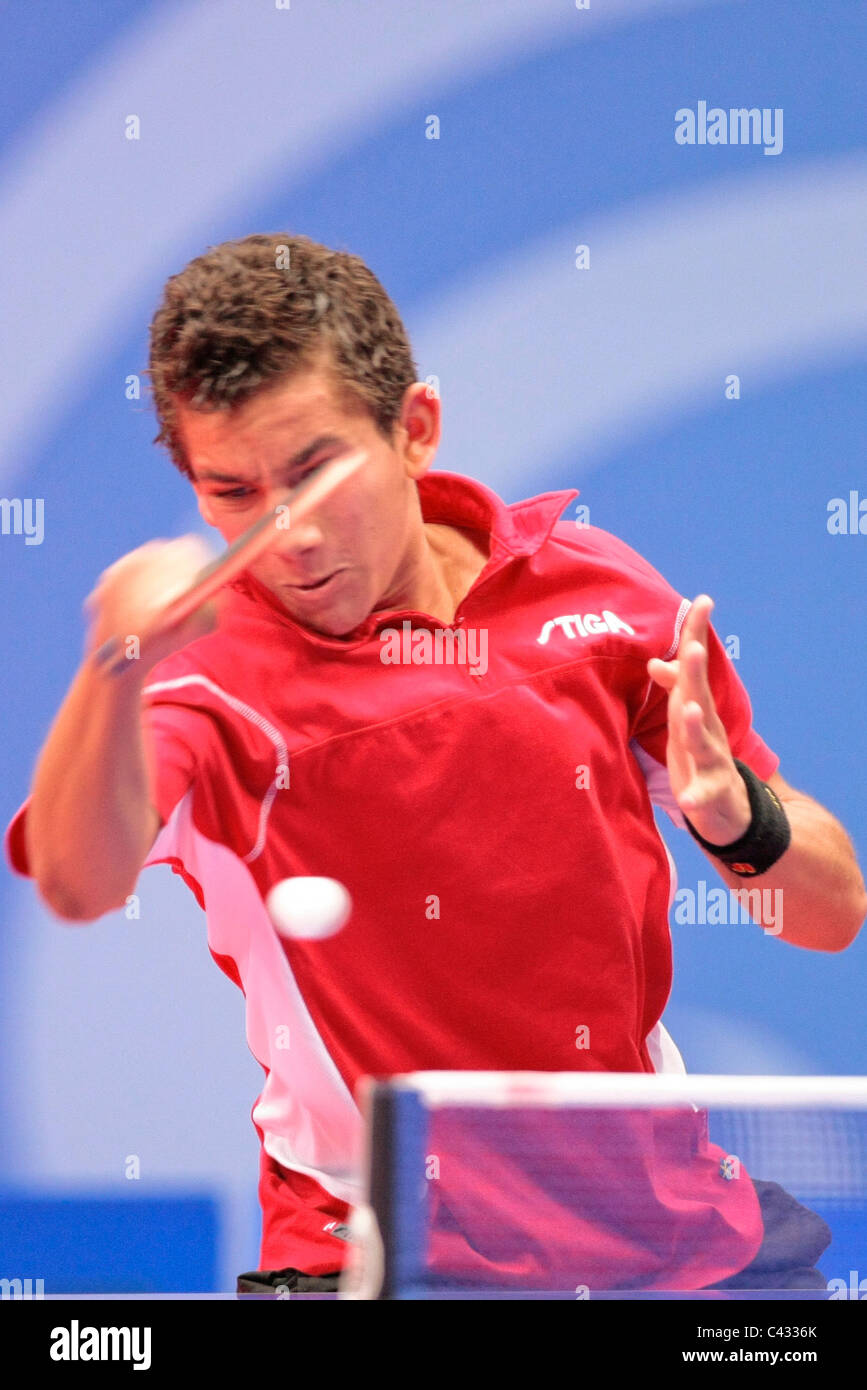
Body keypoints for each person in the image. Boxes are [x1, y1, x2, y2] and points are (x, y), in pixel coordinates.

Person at [6, 234, 865, 1295]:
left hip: (674, 1248)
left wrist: (740, 823)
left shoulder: (598, 599)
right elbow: (76, 879)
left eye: (316, 471)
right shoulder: (204, 685)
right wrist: (111, 669)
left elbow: (829, 916)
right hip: (383, 1259)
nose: (290, 538)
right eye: (232, 493)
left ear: (416, 429)